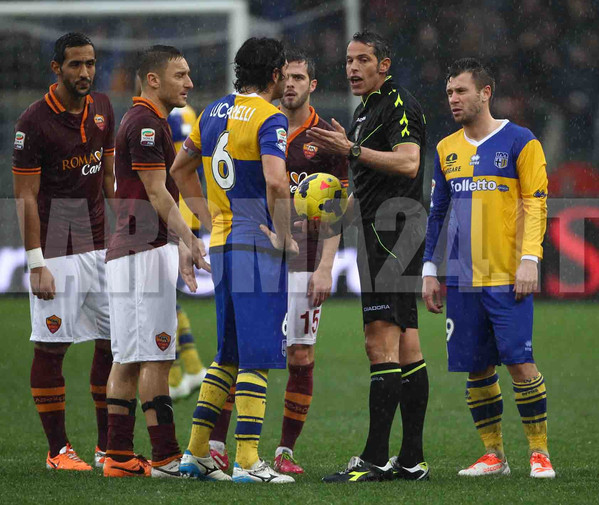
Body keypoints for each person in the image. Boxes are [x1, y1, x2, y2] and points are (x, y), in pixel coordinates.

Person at [206, 50, 349, 475]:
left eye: (300, 77)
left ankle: (284, 451)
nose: (290, 84)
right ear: (274, 79)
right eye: (285, 77)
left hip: (303, 262)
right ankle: (217, 444)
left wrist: (326, 266)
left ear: (313, 85)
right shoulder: (255, 123)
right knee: (241, 351)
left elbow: (337, 208)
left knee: (300, 357)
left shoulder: (325, 136)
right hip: (255, 255)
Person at [170, 36, 298, 484]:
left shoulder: (211, 112)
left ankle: (196, 454)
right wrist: (283, 235)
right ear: (276, 73)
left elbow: (178, 170)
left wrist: (206, 217)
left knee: (227, 355)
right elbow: (277, 182)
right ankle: (247, 461)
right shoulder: (270, 117)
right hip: (257, 245)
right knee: (256, 357)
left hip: (224, 242)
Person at [422, 58, 555, 479]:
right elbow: (437, 211)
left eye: (461, 91)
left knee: (519, 363)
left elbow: (536, 202)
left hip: (507, 275)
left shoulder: (520, 141)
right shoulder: (446, 148)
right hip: (462, 279)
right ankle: (494, 454)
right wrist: (429, 266)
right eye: (449, 93)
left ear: (486, 93)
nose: (453, 99)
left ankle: (540, 452)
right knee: (476, 367)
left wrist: (530, 259)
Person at [306, 30, 430, 482]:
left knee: (378, 342)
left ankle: (376, 459)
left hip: (393, 233)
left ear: (385, 64)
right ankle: (412, 461)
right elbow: (369, 184)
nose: (353, 68)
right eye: (348, 60)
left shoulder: (397, 103)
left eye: (363, 60)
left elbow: (409, 162)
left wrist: (351, 150)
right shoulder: (363, 112)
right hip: (387, 231)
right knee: (406, 343)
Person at [103, 45, 209, 479]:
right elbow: (156, 191)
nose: (188, 83)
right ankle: (165, 457)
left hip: (129, 250)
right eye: (180, 75)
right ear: (153, 79)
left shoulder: (141, 120)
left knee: (127, 358)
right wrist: (189, 236)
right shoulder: (147, 123)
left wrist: (179, 244)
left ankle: (119, 457)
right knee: (157, 357)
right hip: (144, 252)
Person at [12, 32, 115, 471]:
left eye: (90, 63)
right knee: (52, 350)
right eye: (75, 65)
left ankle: (109, 447)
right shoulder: (32, 124)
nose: (85, 72)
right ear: (57, 68)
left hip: (100, 248)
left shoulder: (104, 109)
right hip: (56, 250)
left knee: (115, 344)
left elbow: (109, 178)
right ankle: (58, 451)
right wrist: (36, 263)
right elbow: (26, 198)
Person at [167, 105, 208, 400]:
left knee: (156, 299)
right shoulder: (184, 112)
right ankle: (192, 368)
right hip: (177, 214)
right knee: (165, 297)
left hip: (170, 216)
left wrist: (185, 230)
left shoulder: (175, 115)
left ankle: (171, 376)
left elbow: (182, 171)